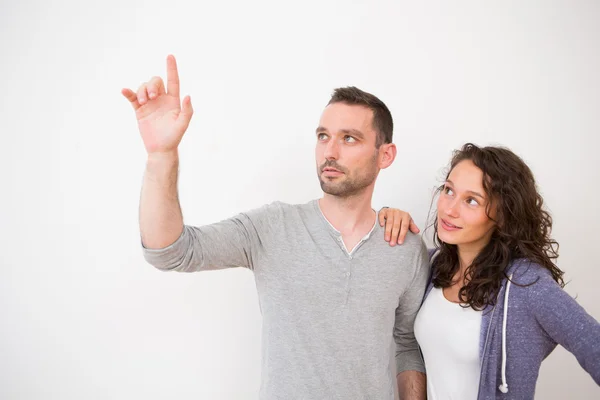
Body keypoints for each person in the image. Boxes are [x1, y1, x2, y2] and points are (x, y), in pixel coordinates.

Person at [121, 54, 429, 400]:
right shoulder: (272, 227)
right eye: (323, 136)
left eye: (349, 139)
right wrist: (162, 155)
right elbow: (171, 252)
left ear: (385, 155)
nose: (330, 151)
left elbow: (407, 343)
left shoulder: (404, 246)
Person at [380, 143, 600, 399]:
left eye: (471, 200)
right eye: (449, 190)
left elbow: (593, 345)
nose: (449, 209)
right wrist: (385, 219)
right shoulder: (433, 266)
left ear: (503, 215)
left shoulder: (526, 285)